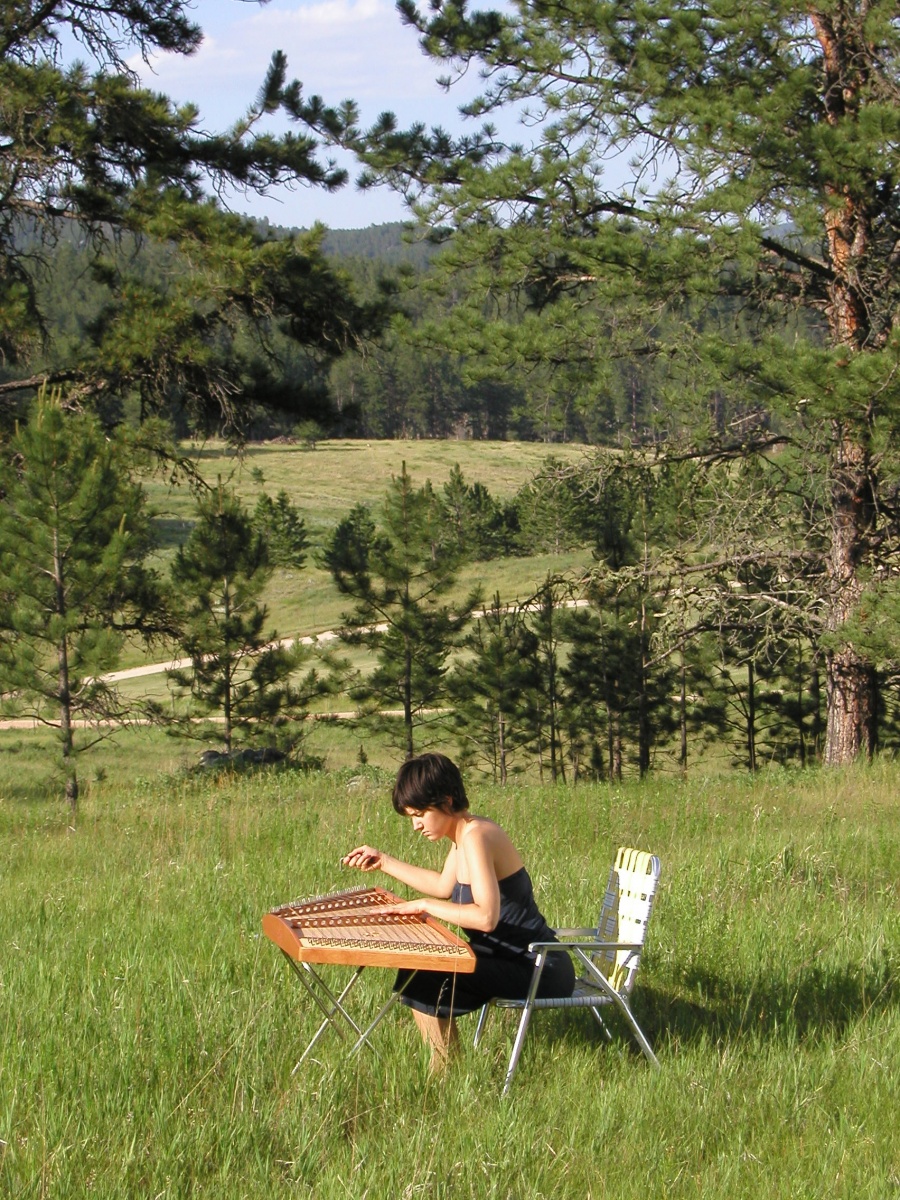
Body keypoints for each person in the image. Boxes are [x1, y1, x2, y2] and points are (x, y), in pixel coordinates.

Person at [342, 752, 575, 1069]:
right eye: (411, 816)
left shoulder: (476, 836)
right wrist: (383, 861)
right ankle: (448, 1069)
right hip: (511, 959)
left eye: (420, 813)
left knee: (423, 973)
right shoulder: (463, 834)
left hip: (538, 968)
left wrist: (424, 907)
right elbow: (443, 886)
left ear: (446, 800)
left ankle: (446, 1073)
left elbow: (486, 917)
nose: (415, 825)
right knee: (420, 968)